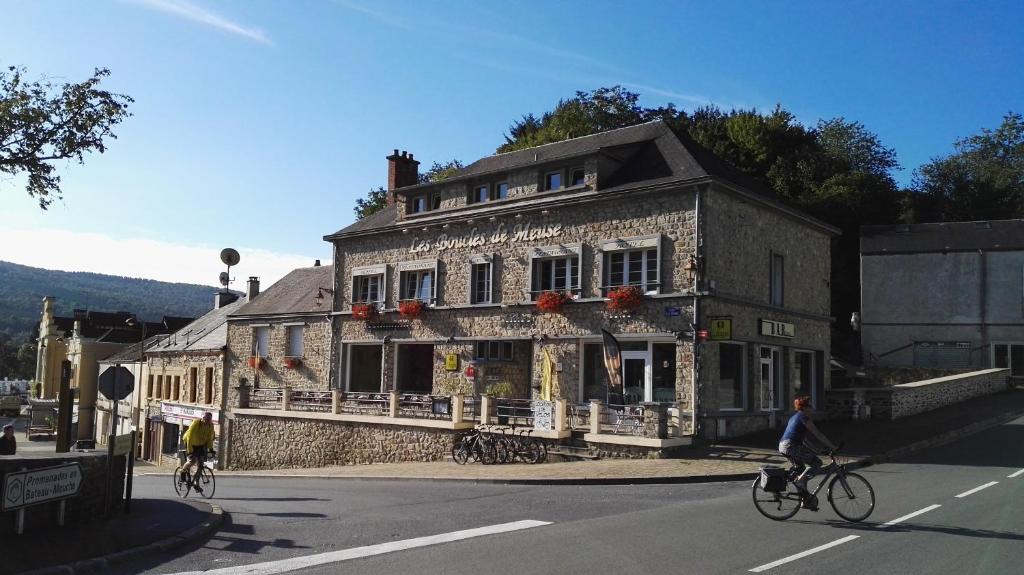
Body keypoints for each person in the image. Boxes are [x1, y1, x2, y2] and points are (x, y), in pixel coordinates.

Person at [779, 396, 836, 501]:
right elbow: (818, 434)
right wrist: (833, 447)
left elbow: (804, 440)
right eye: (809, 406)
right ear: (804, 408)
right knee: (817, 463)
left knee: (801, 471)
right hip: (791, 446)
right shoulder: (803, 417)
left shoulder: (795, 417)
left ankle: (804, 500)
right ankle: (800, 483)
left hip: (784, 446)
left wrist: (816, 450)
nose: (811, 408)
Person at [180, 412, 215, 490]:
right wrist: (190, 451)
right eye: (206, 419)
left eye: (209, 419)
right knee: (192, 461)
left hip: (200, 444)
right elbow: (189, 437)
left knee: (200, 464)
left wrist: (211, 449)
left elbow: (210, 438)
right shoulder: (196, 423)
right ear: (203, 418)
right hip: (190, 442)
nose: (208, 421)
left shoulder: (210, 426)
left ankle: (196, 483)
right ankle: (183, 471)